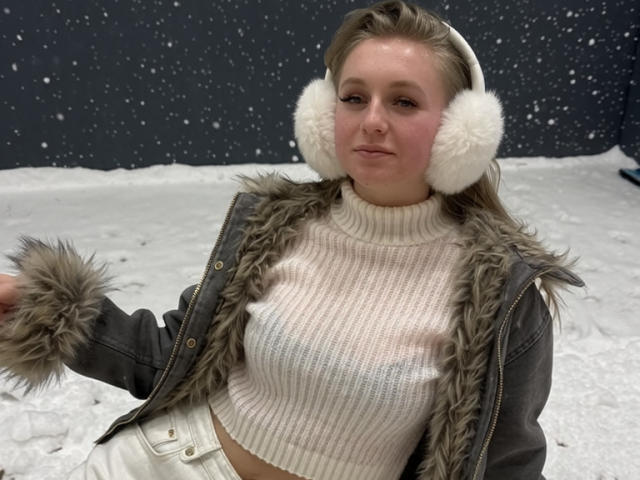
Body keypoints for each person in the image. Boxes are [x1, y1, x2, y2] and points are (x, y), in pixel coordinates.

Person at [0, 1, 583, 479]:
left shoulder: (499, 294)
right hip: (167, 460)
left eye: (404, 101)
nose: (371, 120)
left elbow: (505, 464)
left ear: (463, 130)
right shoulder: (273, 227)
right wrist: (39, 309)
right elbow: (171, 357)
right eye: (354, 97)